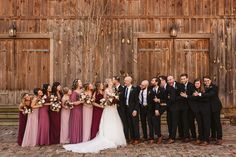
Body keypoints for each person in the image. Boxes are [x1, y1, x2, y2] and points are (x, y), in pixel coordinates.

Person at [63, 79, 126, 153]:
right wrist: (107, 102)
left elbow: (114, 98)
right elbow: (104, 99)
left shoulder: (114, 90)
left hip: (113, 108)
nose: (111, 83)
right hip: (106, 108)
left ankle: (115, 138)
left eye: (111, 82)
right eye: (110, 82)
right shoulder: (105, 91)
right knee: (106, 122)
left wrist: (114, 100)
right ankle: (106, 137)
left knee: (114, 122)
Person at [166, 76, 189, 144]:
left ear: (174, 79)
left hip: (183, 107)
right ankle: (172, 137)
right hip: (174, 107)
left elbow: (182, 96)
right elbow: (168, 96)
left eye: (170, 79)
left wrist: (173, 98)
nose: (169, 81)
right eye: (168, 80)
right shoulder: (167, 87)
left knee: (184, 122)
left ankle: (186, 136)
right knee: (174, 122)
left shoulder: (180, 85)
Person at [203, 76, 223, 145]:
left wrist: (201, 94)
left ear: (210, 80)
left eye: (207, 80)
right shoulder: (204, 88)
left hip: (216, 107)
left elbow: (210, 94)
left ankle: (219, 138)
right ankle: (213, 136)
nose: (206, 82)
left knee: (217, 122)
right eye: (205, 81)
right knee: (211, 123)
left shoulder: (214, 87)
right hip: (208, 108)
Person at [122, 76, 140, 144]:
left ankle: (137, 138)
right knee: (129, 124)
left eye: (125, 81)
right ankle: (132, 138)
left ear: (129, 81)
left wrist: (135, 110)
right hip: (126, 109)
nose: (124, 82)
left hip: (133, 109)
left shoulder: (134, 89)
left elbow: (137, 101)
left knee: (135, 124)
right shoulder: (124, 89)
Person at [180, 73, 196, 140]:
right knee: (184, 121)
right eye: (181, 79)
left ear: (187, 78)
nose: (183, 80)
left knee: (191, 121)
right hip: (183, 106)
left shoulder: (191, 85)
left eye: (184, 79)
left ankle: (194, 136)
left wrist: (186, 96)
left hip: (191, 106)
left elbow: (194, 96)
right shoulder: (180, 86)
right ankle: (186, 136)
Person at [69, 79, 84, 144]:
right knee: (76, 123)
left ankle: (80, 138)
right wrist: (81, 101)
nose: (81, 82)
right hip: (76, 110)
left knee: (80, 123)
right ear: (76, 84)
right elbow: (73, 102)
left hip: (81, 109)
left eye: (81, 81)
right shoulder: (74, 92)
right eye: (80, 82)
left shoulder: (82, 91)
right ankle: (75, 139)